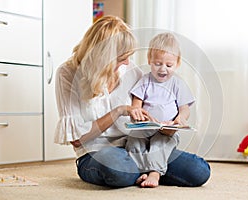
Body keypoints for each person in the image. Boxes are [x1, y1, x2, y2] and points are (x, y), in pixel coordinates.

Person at [54, 15, 211, 188]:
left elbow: (148, 113)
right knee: (120, 169)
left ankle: (148, 171)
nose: (128, 62)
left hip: (138, 147)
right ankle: (149, 170)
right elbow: (77, 139)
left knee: (199, 170)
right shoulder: (68, 73)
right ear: (103, 57)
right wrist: (118, 111)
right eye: (122, 58)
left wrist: (166, 126)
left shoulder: (130, 70)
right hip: (96, 152)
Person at [126, 33, 195, 187]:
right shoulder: (144, 80)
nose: (163, 69)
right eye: (157, 63)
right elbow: (136, 103)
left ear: (177, 63)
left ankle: (155, 173)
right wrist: (137, 114)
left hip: (166, 131)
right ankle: (140, 171)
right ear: (149, 60)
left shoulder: (177, 84)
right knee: (133, 141)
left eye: (168, 65)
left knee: (159, 144)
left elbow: (184, 108)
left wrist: (180, 119)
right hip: (145, 127)